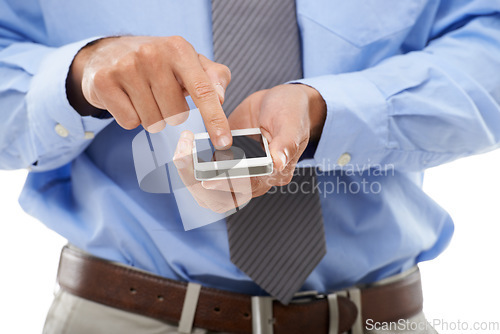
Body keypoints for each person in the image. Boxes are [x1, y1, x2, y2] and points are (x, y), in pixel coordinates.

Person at [1, 0, 499, 333]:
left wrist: (329, 112)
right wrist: (81, 73)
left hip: (383, 317)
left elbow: (488, 45)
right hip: (122, 315)